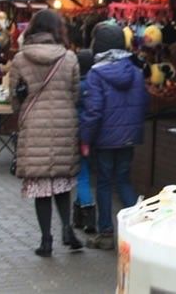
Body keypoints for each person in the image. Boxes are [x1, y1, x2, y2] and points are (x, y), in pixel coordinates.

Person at [10, 9, 82, 256]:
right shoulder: (70, 58)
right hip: (64, 123)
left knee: (41, 185)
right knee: (61, 181)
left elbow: (15, 99)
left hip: (34, 125)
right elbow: (75, 94)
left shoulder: (20, 59)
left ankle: (46, 240)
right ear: (57, 30)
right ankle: (67, 228)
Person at [80, 21, 147, 250]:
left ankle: (106, 232)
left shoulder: (95, 74)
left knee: (105, 184)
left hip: (105, 139)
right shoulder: (137, 72)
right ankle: (141, 231)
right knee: (124, 181)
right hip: (129, 137)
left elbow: (93, 111)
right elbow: (143, 104)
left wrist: (85, 140)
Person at [72, 49, 96, 233]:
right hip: (94, 134)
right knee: (85, 172)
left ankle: (88, 213)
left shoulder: (75, 87)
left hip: (79, 134)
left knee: (82, 175)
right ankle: (79, 216)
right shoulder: (96, 83)